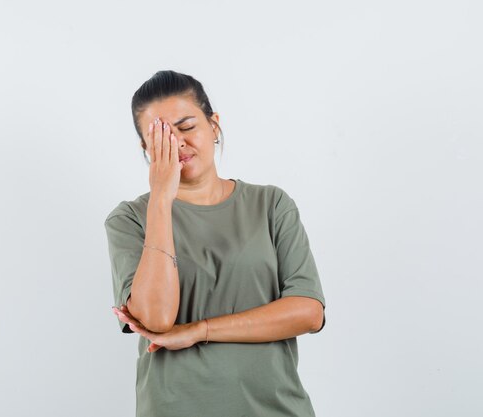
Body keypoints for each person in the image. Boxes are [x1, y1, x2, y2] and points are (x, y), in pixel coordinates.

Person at [104, 70, 327, 417]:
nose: (177, 143)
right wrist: (162, 200)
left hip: (276, 408)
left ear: (214, 125)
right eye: (160, 136)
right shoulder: (129, 219)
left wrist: (199, 331)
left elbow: (309, 312)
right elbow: (157, 319)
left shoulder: (270, 205)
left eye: (187, 126)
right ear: (145, 148)